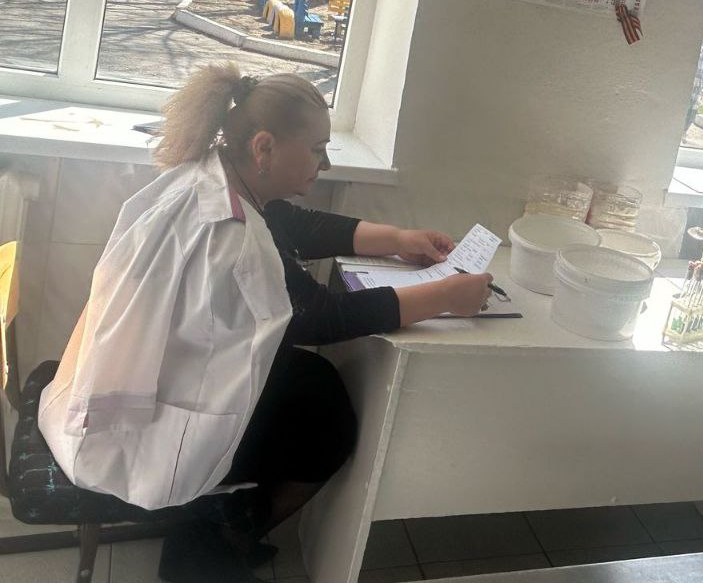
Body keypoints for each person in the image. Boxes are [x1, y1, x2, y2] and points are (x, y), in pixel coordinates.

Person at [37, 64, 494, 583]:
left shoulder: (214, 176)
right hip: (148, 421)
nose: (324, 164)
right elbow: (319, 316)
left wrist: (398, 238)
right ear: (264, 148)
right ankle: (217, 536)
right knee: (330, 425)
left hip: (141, 373)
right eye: (317, 150)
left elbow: (294, 224)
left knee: (315, 384)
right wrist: (446, 296)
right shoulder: (232, 232)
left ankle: (215, 529)